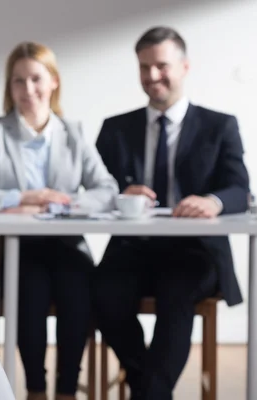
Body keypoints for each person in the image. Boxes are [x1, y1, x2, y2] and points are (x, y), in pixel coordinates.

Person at [0, 42, 118, 400]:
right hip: (14, 248)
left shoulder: (73, 132)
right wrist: (22, 198)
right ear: (10, 87)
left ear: (53, 81)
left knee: (78, 293)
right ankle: (35, 390)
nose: (28, 90)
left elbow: (107, 190)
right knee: (29, 293)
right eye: (18, 81)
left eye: (36, 79)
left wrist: (60, 203)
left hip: (67, 245)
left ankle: (67, 391)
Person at [94, 26, 250, 400]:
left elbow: (239, 189)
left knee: (176, 293)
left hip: (194, 250)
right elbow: (93, 189)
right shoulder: (115, 129)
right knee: (102, 291)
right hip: (133, 246)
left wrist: (213, 201)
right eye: (144, 67)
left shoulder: (219, 125)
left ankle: (148, 393)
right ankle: (149, 389)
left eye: (161, 66)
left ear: (184, 67)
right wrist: (118, 194)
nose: (151, 77)